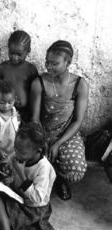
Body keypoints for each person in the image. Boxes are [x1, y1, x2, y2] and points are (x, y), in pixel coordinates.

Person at [30, 40, 89, 200]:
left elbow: (77, 121)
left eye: (54, 63)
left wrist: (57, 143)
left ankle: (60, 179)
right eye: (47, 62)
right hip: (42, 131)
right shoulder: (39, 82)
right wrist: (42, 141)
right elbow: (35, 119)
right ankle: (47, 177)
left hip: (66, 134)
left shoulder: (80, 85)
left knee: (76, 170)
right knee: (28, 158)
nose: (48, 66)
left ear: (67, 62)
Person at [0, 30, 38, 124]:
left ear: (28, 51)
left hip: (26, 113)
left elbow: (34, 93)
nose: (15, 57)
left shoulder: (31, 69)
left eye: (19, 54)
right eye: (11, 53)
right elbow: (0, 89)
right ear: (8, 48)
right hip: (6, 111)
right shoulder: (3, 67)